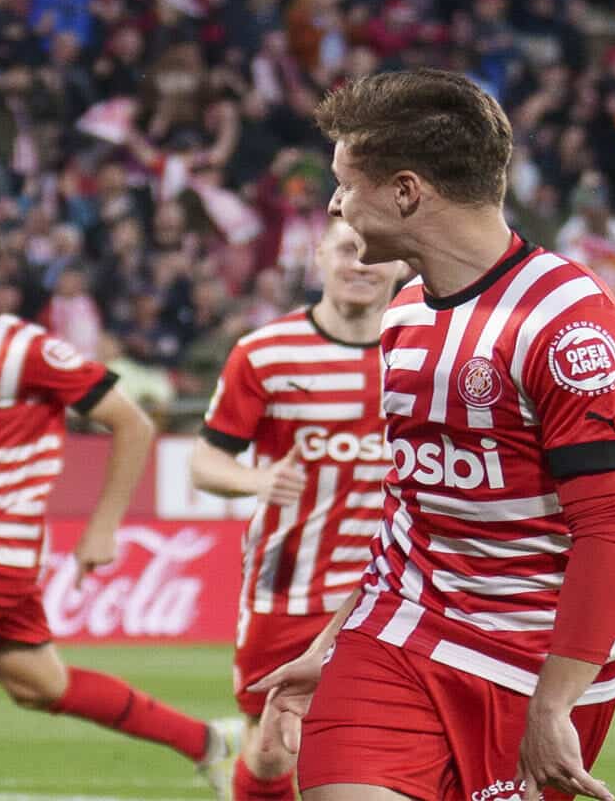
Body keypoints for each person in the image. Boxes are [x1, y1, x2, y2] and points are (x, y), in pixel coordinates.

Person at [250, 69, 615, 801]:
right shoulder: (404, 313)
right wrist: (331, 643)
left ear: (406, 192)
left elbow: (611, 529)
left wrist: (555, 703)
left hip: (532, 660)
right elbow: (411, 507)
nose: (334, 205)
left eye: (345, 184)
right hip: (396, 634)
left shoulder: (567, 323)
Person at [0, 204, 242, 799]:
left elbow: (131, 423)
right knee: (38, 684)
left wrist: (103, 527)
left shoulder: (27, 350)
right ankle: (210, 743)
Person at [190, 219, 404, 801]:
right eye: (346, 249)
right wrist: (256, 479)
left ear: (401, 261)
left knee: (372, 757)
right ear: (319, 257)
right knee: (270, 752)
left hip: (395, 589)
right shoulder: (265, 353)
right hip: (289, 585)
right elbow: (205, 462)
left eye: (373, 252)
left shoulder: (426, 349)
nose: (360, 264)